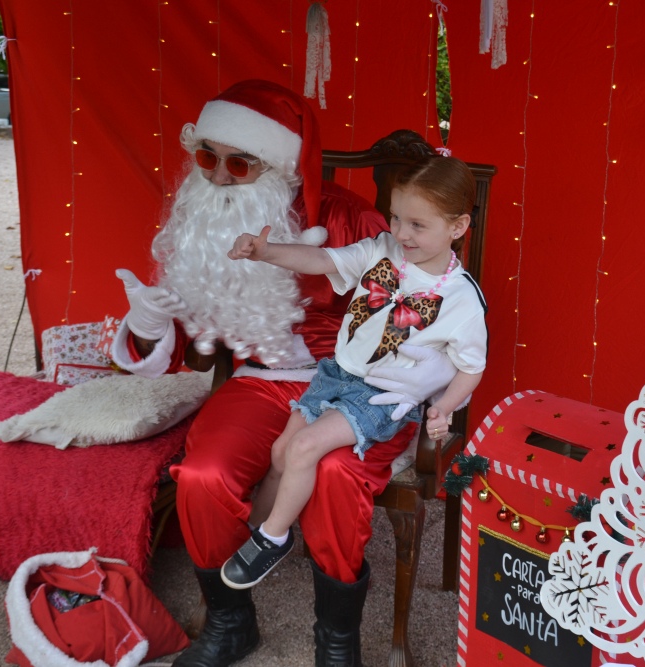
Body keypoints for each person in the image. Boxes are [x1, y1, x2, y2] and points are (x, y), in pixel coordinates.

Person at [109, 80, 458, 667]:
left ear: (277, 166)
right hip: (257, 381)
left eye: (239, 162)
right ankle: (229, 623)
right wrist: (146, 318)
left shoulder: (351, 220)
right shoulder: (204, 225)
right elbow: (181, 350)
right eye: (206, 157)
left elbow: (416, 316)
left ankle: (337, 641)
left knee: (337, 474)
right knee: (200, 474)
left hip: (359, 386)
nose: (217, 177)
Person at [220, 156, 488, 590]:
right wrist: (267, 252)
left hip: (382, 396)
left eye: (418, 225)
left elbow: (472, 367)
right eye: (397, 218)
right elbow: (320, 258)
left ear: (457, 227)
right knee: (282, 451)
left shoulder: (462, 299)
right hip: (336, 375)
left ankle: (274, 538)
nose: (402, 233)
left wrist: (445, 406)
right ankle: (252, 530)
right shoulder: (382, 249)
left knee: (305, 447)